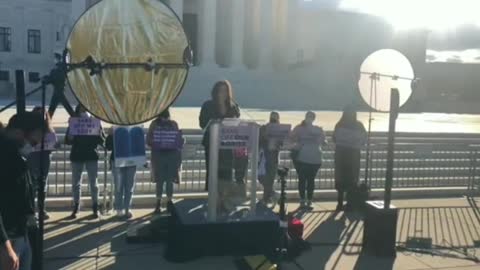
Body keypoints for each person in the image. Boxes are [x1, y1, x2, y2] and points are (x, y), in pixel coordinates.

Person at [0, 112, 47, 270]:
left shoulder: (17, 156)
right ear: (19, 133)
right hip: (8, 238)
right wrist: (5, 245)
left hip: (21, 233)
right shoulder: (4, 158)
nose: (33, 147)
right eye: (33, 142)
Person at [199, 80, 241, 212]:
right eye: (220, 90)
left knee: (227, 173)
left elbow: (237, 123)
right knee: (213, 172)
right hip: (211, 143)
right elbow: (202, 123)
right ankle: (214, 199)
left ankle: (224, 201)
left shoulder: (233, 106)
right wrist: (214, 122)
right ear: (215, 91)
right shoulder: (208, 105)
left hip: (227, 145)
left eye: (225, 90)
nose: (222, 93)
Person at [65, 105, 105, 219]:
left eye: (86, 109)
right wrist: (70, 130)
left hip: (91, 155)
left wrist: (99, 131)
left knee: (94, 183)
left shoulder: (94, 121)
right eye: (82, 109)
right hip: (77, 155)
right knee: (76, 183)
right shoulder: (74, 121)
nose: (84, 111)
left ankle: (95, 207)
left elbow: (102, 140)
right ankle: (76, 206)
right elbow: (68, 140)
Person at [147, 109, 184, 214]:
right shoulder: (160, 124)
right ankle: (162, 202)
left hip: (167, 157)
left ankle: (166, 202)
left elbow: (177, 140)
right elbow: (149, 140)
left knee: (167, 180)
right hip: (161, 157)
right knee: (162, 180)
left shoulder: (170, 124)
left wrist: (180, 140)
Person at [333, 107, 367, 212]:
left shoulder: (339, 124)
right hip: (352, 156)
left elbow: (334, 138)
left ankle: (340, 203)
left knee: (343, 178)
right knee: (350, 179)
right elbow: (364, 139)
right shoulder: (359, 125)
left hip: (343, 155)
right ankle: (349, 203)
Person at [290, 111, 326, 209]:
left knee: (306, 180)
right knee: (308, 180)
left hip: (312, 158)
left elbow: (323, 141)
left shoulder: (316, 129)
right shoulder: (301, 128)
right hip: (307, 158)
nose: (309, 119)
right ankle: (306, 200)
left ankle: (306, 200)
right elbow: (291, 138)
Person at [26, 107, 58, 220]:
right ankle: (31, 211)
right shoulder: (29, 129)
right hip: (33, 158)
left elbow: (54, 142)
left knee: (42, 186)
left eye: (43, 114)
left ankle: (41, 210)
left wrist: (54, 145)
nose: (41, 117)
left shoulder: (49, 129)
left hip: (45, 158)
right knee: (33, 185)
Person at [106, 128, 137, 219]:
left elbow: (138, 144)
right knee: (119, 187)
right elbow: (109, 147)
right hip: (117, 161)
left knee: (129, 186)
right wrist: (110, 135)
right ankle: (119, 209)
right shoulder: (114, 127)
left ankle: (127, 208)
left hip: (131, 161)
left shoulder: (135, 127)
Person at [259, 112, 282, 204]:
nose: (274, 119)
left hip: (274, 156)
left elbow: (282, 142)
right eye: (273, 117)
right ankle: (273, 194)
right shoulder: (264, 127)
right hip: (264, 155)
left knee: (270, 178)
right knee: (261, 176)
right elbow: (259, 139)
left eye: (275, 117)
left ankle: (266, 198)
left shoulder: (280, 129)